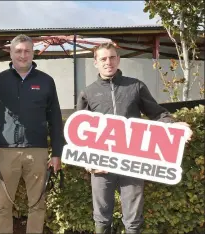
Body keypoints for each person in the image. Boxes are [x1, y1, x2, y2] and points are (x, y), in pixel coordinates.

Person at [76, 42, 192, 234]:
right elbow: (79, 131)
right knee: (101, 216)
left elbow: (157, 113)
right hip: (101, 162)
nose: (108, 62)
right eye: (103, 59)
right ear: (95, 62)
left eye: (112, 57)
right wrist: (86, 160)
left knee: (133, 218)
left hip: (132, 160)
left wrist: (173, 125)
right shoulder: (88, 93)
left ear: (118, 59)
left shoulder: (135, 86)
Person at [0, 34, 65, 234]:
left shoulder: (46, 81)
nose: (23, 55)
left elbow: (55, 121)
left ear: (33, 53)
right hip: (5, 152)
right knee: (3, 206)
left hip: (38, 152)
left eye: (27, 51)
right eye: (18, 51)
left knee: (37, 205)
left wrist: (57, 153)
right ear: (11, 53)